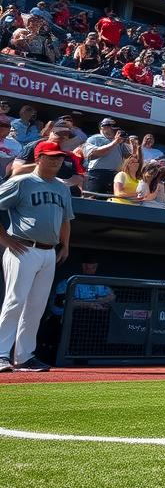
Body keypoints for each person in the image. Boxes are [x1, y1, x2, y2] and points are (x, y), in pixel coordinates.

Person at [0, 141, 74, 371]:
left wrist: (65, 244)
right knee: (15, 301)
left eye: (59, 158)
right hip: (22, 247)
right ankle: (1, 353)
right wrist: (4, 239)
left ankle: (24, 356)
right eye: (51, 157)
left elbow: (65, 219)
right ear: (39, 158)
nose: (56, 161)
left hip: (48, 251)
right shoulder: (21, 182)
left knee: (36, 306)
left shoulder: (62, 187)